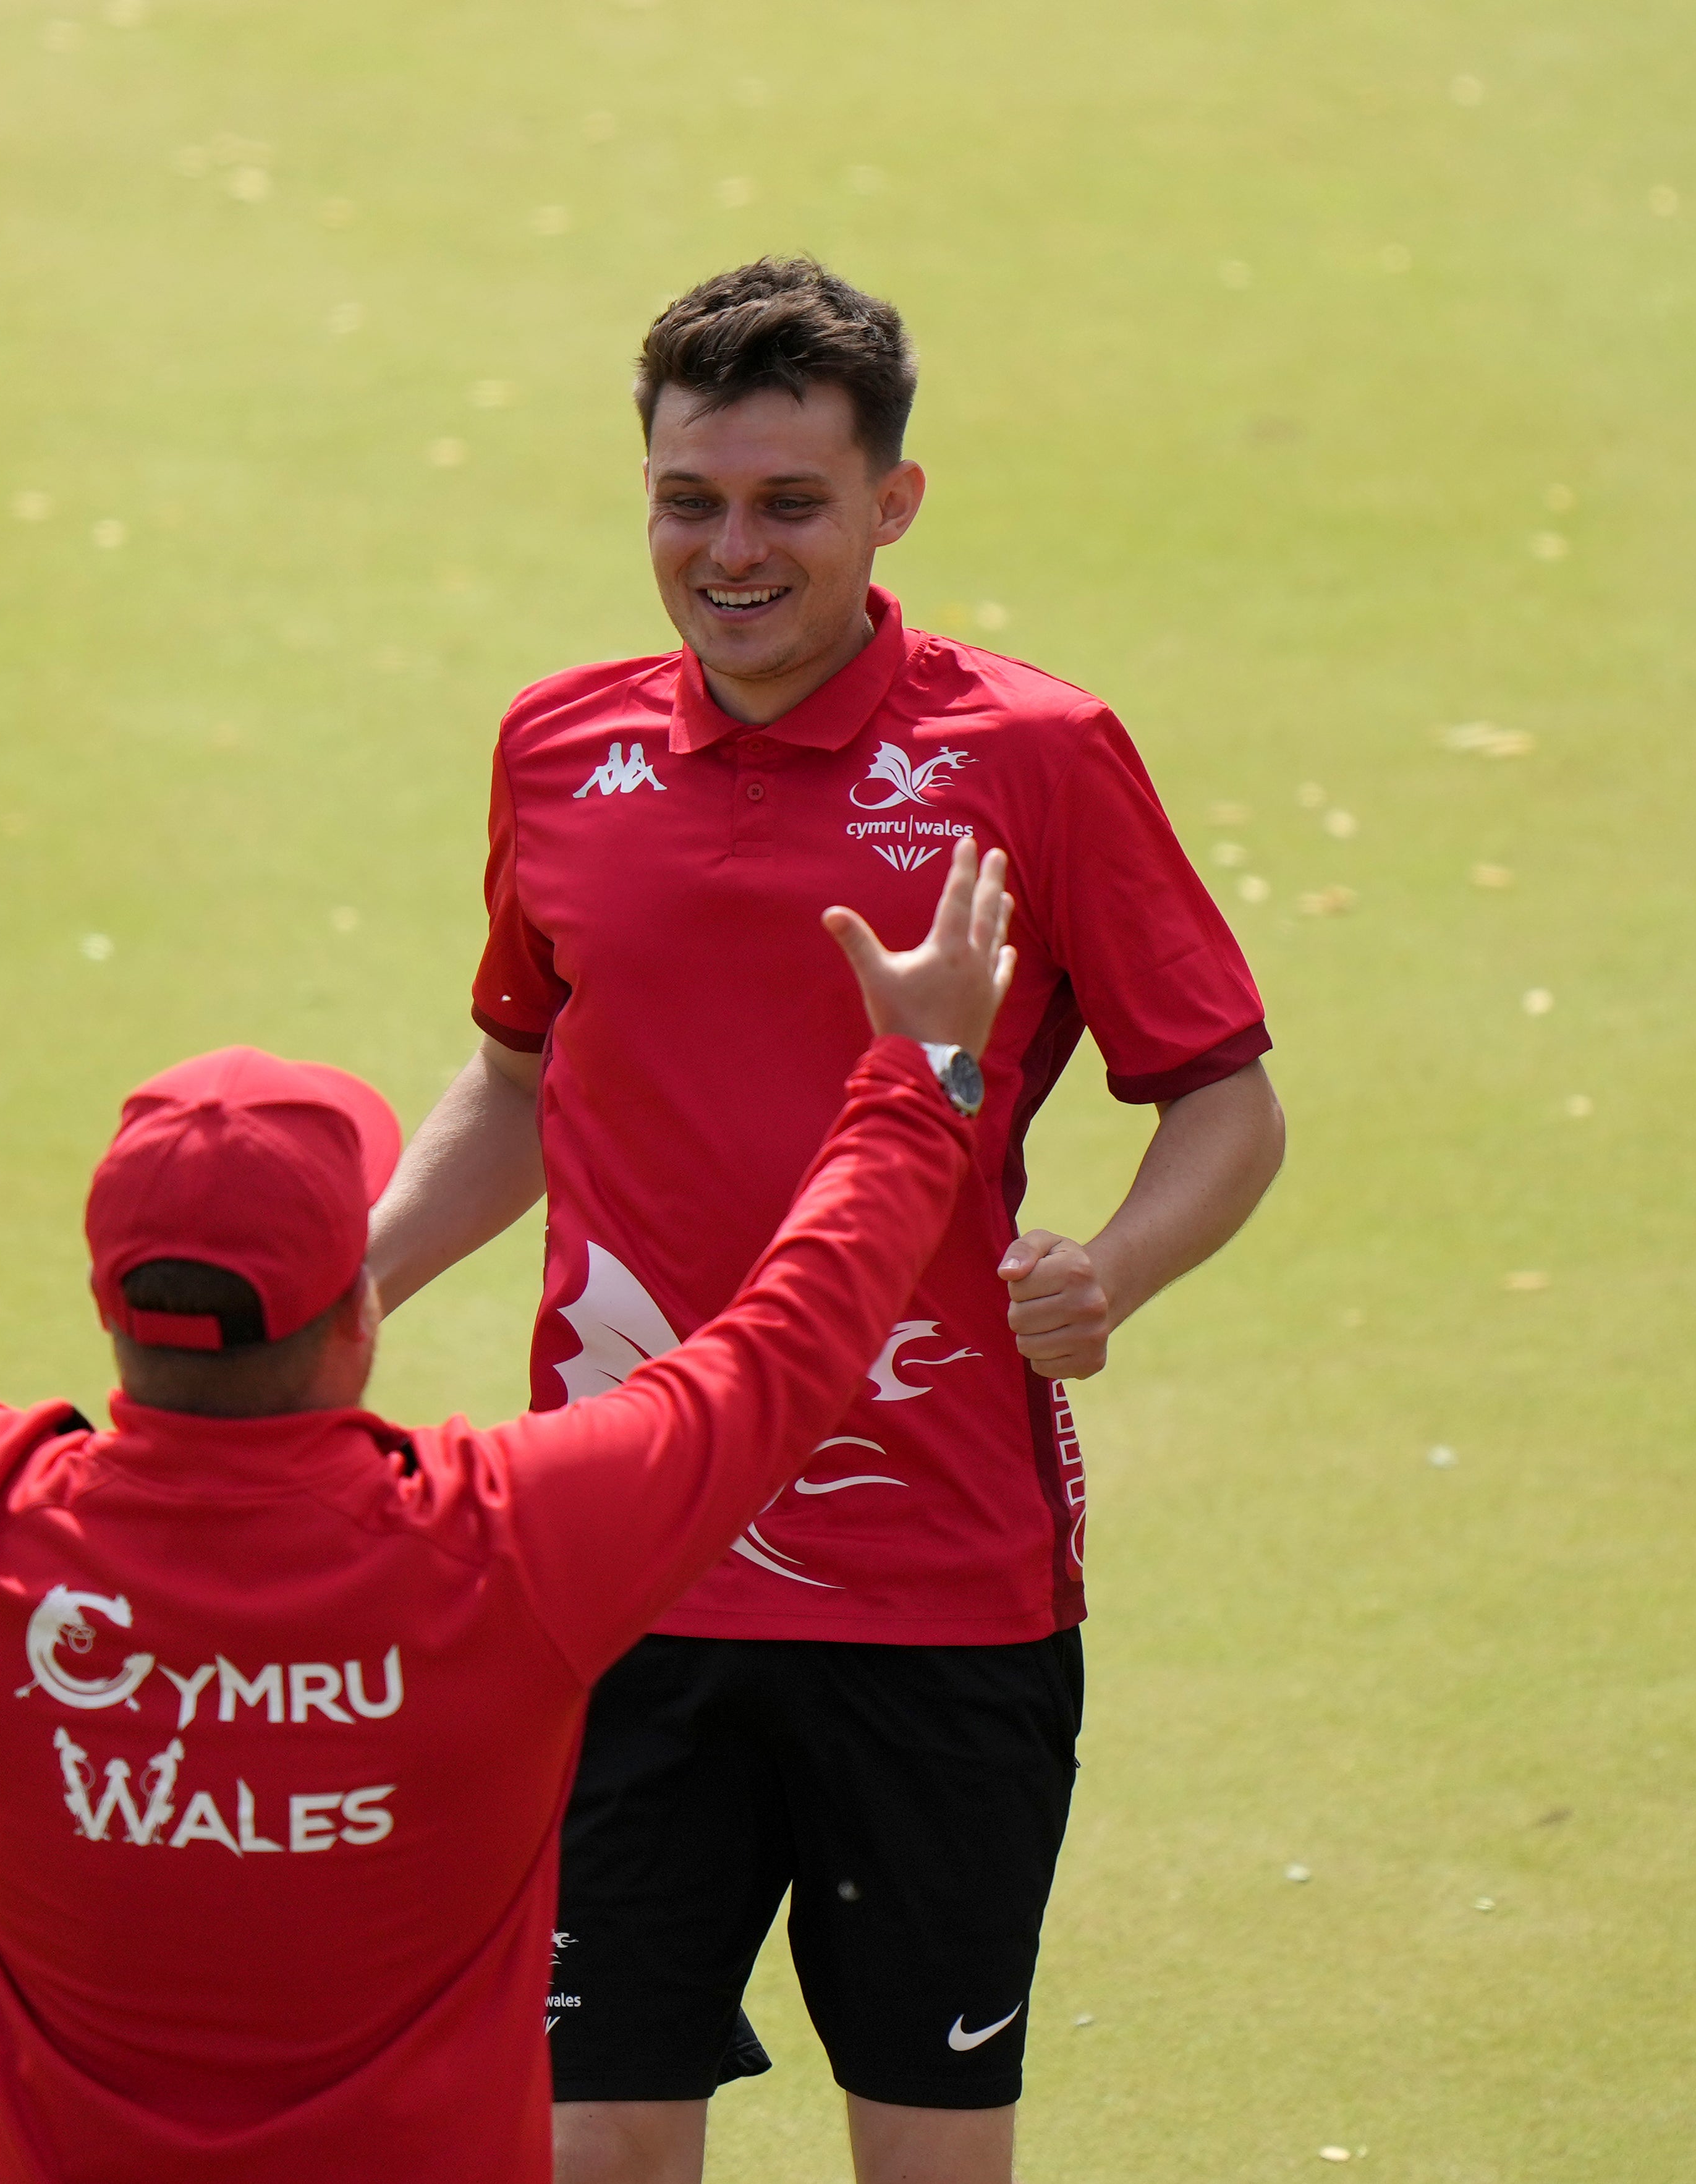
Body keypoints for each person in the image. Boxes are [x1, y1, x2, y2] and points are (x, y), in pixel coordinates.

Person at [0, 771, 1024, 2182]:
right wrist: (922, 1072)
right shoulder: (505, 1546)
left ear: (110, 1306)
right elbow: (785, 1353)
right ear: (357, 1311)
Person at [364, 258, 1290, 2184]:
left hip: (934, 1581)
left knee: (927, 2155)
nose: (731, 550)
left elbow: (1225, 1095)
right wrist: (351, 1282)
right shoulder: (556, 748)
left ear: (893, 502)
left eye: (790, 502)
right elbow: (525, 1076)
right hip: (611, 1556)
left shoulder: (1031, 758)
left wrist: (1109, 1263)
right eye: (687, 501)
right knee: (593, 2139)